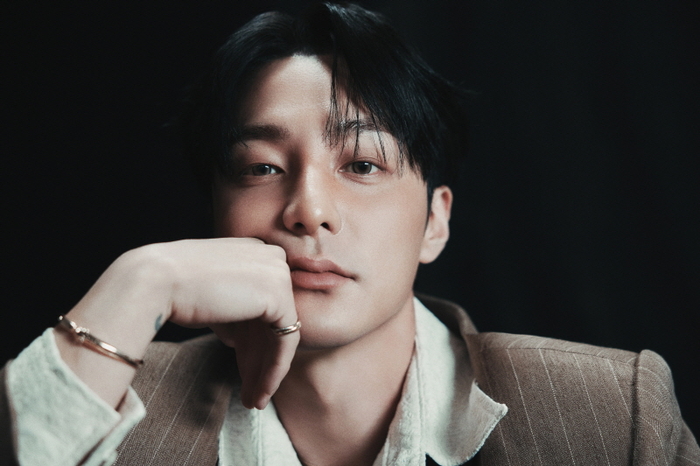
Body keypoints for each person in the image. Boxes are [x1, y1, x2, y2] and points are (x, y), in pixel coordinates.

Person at [1, 3, 698, 465]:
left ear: (435, 221)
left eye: (362, 164)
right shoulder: (113, 403)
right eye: (261, 168)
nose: (307, 210)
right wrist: (140, 281)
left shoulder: (613, 415)